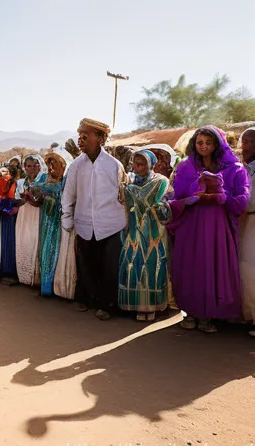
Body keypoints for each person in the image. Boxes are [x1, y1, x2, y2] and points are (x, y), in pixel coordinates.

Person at [167, 126, 250, 333]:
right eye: (199, 142)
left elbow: (242, 201)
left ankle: (207, 316)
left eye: (208, 142)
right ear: (194, 144)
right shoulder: (185, 167)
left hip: (217, 227)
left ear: (216, 145)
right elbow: (176, 197)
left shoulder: (234, 168)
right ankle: (190, 312)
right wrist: (197, 189)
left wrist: (222, 194)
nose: (203, 146)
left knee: (212, 266)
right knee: (190, 266)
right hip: (191, 224)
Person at [61, 118, 127, 320]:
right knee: (87, 263)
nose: (80, 139)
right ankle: (89, 299)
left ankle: (108, 305)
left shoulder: (114, 165)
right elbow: (68, 195)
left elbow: (123, 195)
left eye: (85, 135)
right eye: (79, 135)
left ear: (99, 138)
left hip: (111, 224)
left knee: (109, 266)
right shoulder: (75, 166)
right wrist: (67, 218)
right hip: (83, 224)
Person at [117, 150, 170, 321]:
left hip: (154, 232)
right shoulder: (129, 185)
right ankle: (136, 304)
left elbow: (165, 206)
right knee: (132, 263)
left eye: (142, 164)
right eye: (135, 163)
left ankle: (152, 306)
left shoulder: (161, 182)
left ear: (151, 165)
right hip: (134, 231)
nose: (137, 167)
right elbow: (124, 207)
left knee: (153, 263)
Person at [31, 150, 72, 297]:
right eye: (49, 164)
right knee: (47, 250)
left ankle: (59, 286)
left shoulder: (67, 181)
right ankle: (47, 286)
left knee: (60, 252)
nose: (51, 167)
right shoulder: (45, 180)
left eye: (55, 163)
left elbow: (63, 196)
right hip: (48, 221)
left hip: (63, 222)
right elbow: (34, 188)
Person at [237, 126, 255, 337]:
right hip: (244, 222)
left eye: (250, 142)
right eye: (243, 141)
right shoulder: (242, 167)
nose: (244, 146)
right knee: (246, 268)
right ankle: (250, 316)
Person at [15, 154, 47, 286]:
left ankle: (36, 277)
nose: (32, 168)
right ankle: (24, 276)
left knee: (36, 241)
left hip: (37, 214)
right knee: (24, 241)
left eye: (35, 165)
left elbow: (43, 199)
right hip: (24, 214)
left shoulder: (44, 179)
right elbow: (17, 200)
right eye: (29, 166)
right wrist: (24, 198)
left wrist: (33, 199)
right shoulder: (21, 182)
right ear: (24, 168)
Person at [0, 164, 20, 283]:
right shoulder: (3, 184)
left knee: (12, 242)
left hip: (13, 216)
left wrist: (15, 208)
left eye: (5, 172)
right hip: (4, 215)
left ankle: (12, 272)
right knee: (4, 242)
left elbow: (18, 199)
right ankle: (5, 270)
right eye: (1, 172)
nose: (3, 174)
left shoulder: (16, 184)